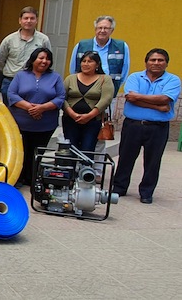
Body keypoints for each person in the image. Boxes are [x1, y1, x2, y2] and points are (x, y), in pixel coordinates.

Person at [113, 49, 180, 204]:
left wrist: (140, 98)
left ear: (166, 63)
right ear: (146, 62)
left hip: (158, 127)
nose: (156, 63)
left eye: (160, 60)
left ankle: (146, 192)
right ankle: (119, 187)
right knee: (125, 157)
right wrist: (157, 106)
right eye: (153, 60)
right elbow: (130, 98)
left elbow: (165, 99)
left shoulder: (173, 80)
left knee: (153, 161)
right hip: (133, 126)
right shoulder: (135, 77)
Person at [7, 48, 66, 186]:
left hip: (45, 124)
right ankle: (18, 178)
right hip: (21, 123)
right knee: (21, 152)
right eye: (41, 58)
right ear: (33, 59)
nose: (44, 61)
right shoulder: (21, 75)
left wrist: (42, 108)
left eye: (47, 59)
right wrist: (29, 107)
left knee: (37, 152)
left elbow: (61, 97)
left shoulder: (55, 77)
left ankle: (31, 177)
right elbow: (12, 94)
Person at [0, 6, 51, 106]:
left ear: (36, 21)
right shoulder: (9, 40)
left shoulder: (43, 40)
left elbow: (48, 60)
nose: (29, 21)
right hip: (10, 81)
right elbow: (0, 61)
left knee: (28, 112)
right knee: (8, 114)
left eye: (32, 18)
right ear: (20, 20)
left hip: (33, 82)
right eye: (26, 18)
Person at [61, 51, 114, 152]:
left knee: (87, 149)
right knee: (70, 150)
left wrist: (89, 116)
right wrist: (72, 114)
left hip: (93, 121)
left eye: (90, 61)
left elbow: (106, 99)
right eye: (83, 61)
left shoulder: (105, 79)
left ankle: (85, 168)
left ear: (97, 64)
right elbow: (62, 97)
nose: (86, 64)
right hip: (70, 120)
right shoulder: (70, 78)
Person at [69, 15, 130, 98]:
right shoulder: (82, 45)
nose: (102, 31)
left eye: (106, 28)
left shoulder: (121, 46)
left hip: (109, 90)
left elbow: (125, 70)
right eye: (100, 28)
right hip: (84, 89)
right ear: (95, 29)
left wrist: (116, 86)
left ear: (112, 30)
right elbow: (73, 68)